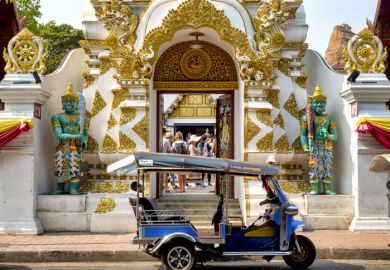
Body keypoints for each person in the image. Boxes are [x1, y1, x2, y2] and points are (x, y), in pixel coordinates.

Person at [51, 84, 89, 195]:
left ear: (77, 103)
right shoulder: (57, 117)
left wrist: (84, 142)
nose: (68, 104)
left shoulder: (83, 118)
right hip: (62, 146)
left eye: (71, 101)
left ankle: (73, 189)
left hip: (75, 147)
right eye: (66, 101)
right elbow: (59, 135)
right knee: (60, 166)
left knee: (74, 167)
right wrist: (76, 136)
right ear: (62, 104)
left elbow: (85, 134)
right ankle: (59, 188)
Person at [300, 83, 337, 195]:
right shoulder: (306, 118)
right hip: (313, 146)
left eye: (321, 102)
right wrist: (305, 146)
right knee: (314, 168)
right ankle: (314, 189)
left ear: (325, 104)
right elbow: (303, 134)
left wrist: (327, 136)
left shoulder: (329, 118)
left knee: (326, 168)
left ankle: (327, 189)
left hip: (326, 147)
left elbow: (335, 136)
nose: (319, 105)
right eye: (316, 102)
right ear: (312, 104)